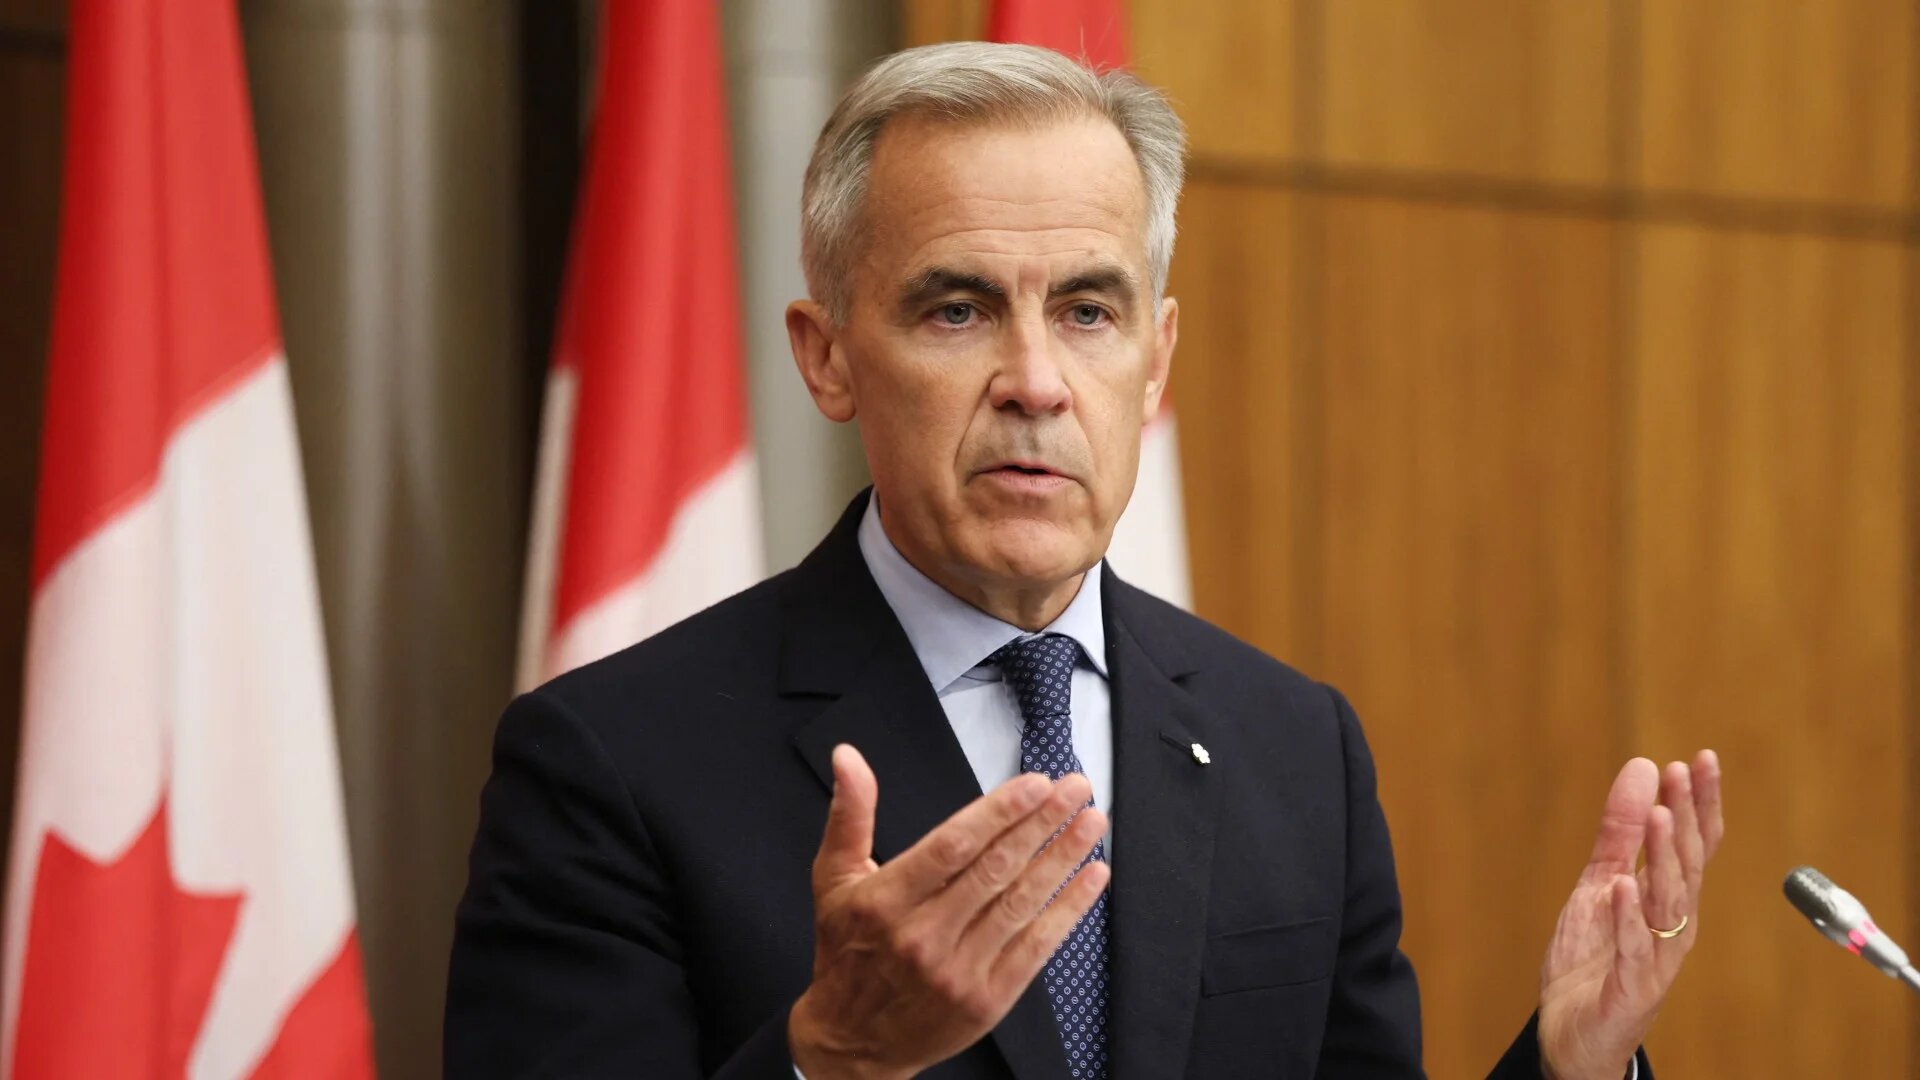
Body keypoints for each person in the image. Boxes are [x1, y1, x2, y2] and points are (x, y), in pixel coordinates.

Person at [444, 42, 1725, 1080]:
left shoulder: (1295, 750)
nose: (1036, 384)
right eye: (957, 309)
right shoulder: (610, 763)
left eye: (1088, 311)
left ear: (1154, 359)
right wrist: (824, 1062)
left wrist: (1570, 1065)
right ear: (828, 356)